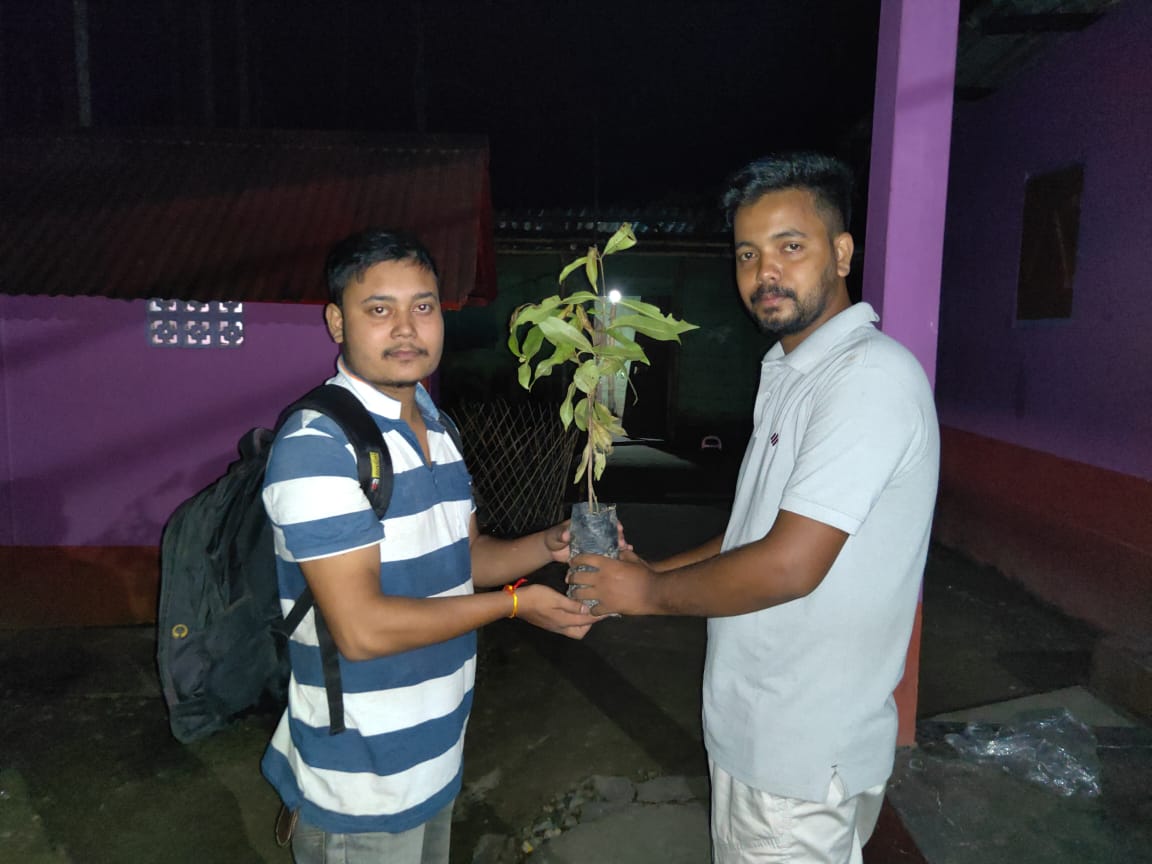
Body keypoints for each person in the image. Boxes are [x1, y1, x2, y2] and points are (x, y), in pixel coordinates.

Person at [569, 152, 940, 864]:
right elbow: (755, 534)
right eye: (748, 252)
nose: (765, 271)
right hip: (773, 735)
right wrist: (644, 574)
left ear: (841, 252)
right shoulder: (793, 371)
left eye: (790, 247)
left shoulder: (867, 378)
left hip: (795, 752)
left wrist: (648, 594)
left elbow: (789, 564)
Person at [260, 228, 598, 864]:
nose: (407, 328)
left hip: (435, 757)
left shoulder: (437, 427)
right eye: (378, 309)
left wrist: (549, 545)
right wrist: (515, 606)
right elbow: (361, 630)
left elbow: (465, 561)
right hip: (361, 781)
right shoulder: (318, 446)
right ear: (337, 322)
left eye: (423, 306)